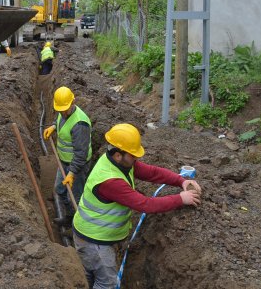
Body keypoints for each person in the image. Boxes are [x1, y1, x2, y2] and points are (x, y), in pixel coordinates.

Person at [72, 123, 202, 288]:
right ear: (119, 155)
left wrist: (181, 181)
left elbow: (152, 173)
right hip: (94, 242)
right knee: (107, 283)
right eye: (133, 155)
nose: (137, 159)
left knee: (92, 276)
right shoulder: (110, 181)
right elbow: (146, 205)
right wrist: (181, 199)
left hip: (95, 236)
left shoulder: (118, 162)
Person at [43, 86, 92, 223]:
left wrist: (72, 172)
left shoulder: (80, 124)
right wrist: (53, 126)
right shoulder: (63, 111)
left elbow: (81, 154)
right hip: (64, 162)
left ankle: (77, 225)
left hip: (77, 166)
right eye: (60, 110)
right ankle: (68, 215)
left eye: (65, 109)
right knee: (59, 189)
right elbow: (60, 120)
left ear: (73, 102)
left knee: (76, 197)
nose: (63, 113)